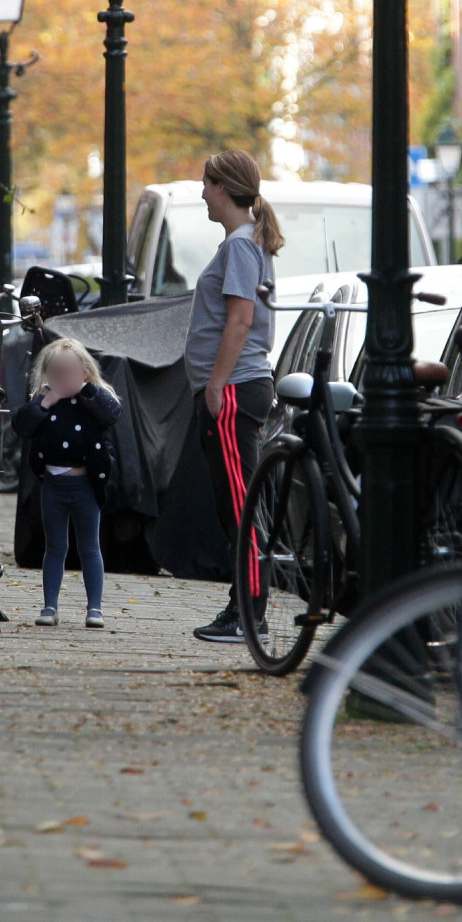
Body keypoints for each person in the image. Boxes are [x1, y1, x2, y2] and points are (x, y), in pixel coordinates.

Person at [186, 150, 284, 642]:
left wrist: (217, 385)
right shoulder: (241, 244)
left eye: (205, 183)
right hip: (237, 388)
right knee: (234, 505)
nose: (201, 192)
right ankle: (242, 605)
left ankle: (251, 614)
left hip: (235, 391)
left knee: (240, 505)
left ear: (223, 187)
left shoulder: (241, 247)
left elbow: (240, 320)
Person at [11, 338, 122, 628]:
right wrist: (45, 402)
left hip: (85, 485)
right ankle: (50, 606)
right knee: (55, 546)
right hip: (54, 487)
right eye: (57, 374)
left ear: (85, 373)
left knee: (90, 547)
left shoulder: (93, 398)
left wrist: (87, 391)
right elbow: (21, 425)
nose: (64, 380)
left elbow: (112, 414)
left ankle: (94, 607)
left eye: (70, 373)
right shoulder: (44, 401)